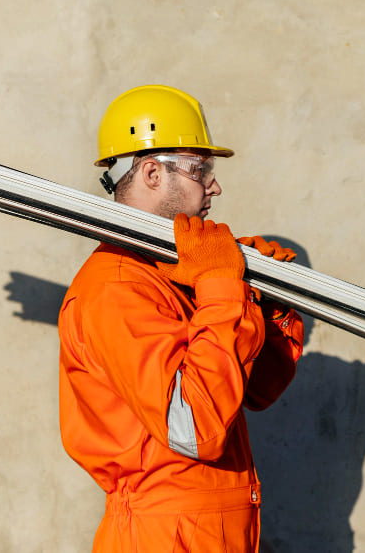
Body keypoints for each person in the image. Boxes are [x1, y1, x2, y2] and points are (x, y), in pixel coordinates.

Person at [57, 85, 305, 552]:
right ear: (152, 172)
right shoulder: (116, 287)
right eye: (201, 169)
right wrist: (223, 289)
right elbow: (195, 428)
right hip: (166, 538)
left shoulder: (182, 272)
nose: (215, 185)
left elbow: (257, 391)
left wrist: (263, 305)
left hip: (211, 534)